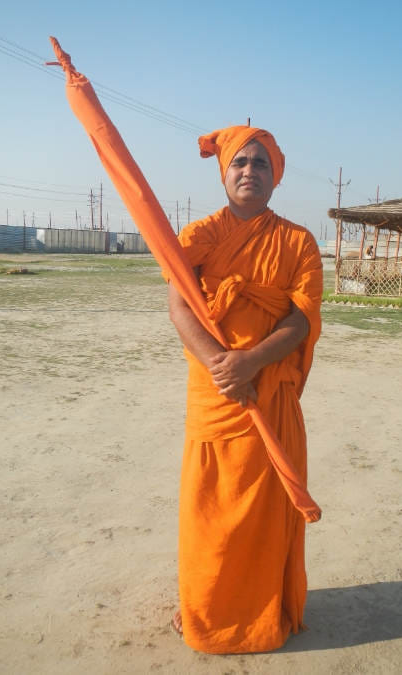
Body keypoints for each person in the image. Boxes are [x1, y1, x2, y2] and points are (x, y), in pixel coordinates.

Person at [165, 125, 323, 654]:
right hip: (214, 395)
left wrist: (251, 362)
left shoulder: (299, 242)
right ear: (224, 172)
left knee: (261, 517)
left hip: (268, 396)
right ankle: (204, 607)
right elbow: (179, 303)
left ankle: (260, 613)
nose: (249, 171)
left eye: (260, 163)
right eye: (239, 162)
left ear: (276, 177)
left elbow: (301, 318)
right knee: (208, 512)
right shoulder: (201, 235)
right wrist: (221, 366)